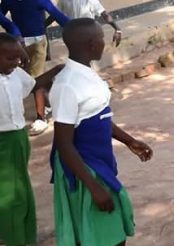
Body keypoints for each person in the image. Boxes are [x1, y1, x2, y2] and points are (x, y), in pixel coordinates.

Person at [50, 18, 153, 246]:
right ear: (91, 44)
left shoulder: (87, 74)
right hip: (84, 168)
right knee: (102, 236)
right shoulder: (67, 85)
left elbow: (98, 117)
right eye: (101, 38)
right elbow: (64, 144)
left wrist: (129, 141)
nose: (104, 43)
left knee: (107, 234)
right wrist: (94, 187)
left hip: (99, 161)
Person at [0, 33, 62, 246]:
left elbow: (34, 84)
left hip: (18, 137)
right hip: (2, 141)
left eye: (18, 57)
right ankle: (11, 237)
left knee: (20, 185)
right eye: (10, 58)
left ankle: (24, 234)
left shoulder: (16, 74)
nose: (16, 62)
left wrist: (57, 69)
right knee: (7, 191)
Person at [1, 0, 70, 136]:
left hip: (38, 42)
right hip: (18, 45)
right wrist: (14, 33)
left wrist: (74, 27)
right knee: (27, 76)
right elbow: (2, 17)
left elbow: (56, 13)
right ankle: (52, 101)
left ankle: (41, 118)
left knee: (34, 79)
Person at [52, 0, 122, 46]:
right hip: (72, 36)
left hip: (88, 35)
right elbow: (54, 14)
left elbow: (104, 14)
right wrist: (43, 26)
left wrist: (117, 29)